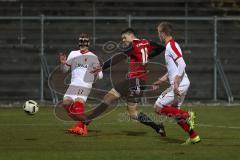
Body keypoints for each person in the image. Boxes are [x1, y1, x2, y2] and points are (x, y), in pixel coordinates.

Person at [86, 28, 166, 136]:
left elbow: (118, 57)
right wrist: (149, 56)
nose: (123, 40)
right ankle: (158, 128)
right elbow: (161, 48)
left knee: (108, 98)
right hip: (140, 82)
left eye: (124, 37)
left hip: (133, 81)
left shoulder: (133, 45)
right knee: (132, 113)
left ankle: (86, 121)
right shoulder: (147, 42)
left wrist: (102, 67)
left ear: (131, 35)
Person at [152, 22, 200, 144]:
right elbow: (173, 68)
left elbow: (183, 64)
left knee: (158, 107)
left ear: (163, 33)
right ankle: (194, 136)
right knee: (175, 114)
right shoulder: (173, 45)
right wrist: (161, 80)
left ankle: (187, 114)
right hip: (182, 83)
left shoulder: (170, 46)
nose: (158, 35)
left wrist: (177, 82)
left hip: (180, 84)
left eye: (158, 33)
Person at [58, 33, 103, 135]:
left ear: (88, 43)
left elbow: (100, 76)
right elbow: (64, 70)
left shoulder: (93, 57)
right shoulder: (73, 54)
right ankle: (86, 121)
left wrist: (97, 72)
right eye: (81, 41)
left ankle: (80, 128)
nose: (83, 43)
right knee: (66, 104)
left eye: (85, 41)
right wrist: (62, 63)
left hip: (85, 84)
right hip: (73, 84)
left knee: (78, 103)